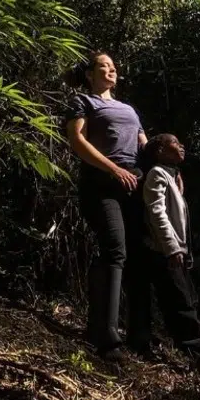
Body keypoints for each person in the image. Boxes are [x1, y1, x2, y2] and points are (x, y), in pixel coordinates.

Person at [65, 51, 148, 362]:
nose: (112, 70)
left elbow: (145, 146)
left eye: (114, 66)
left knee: (140, 255)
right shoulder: (83, 102)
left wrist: (167, 173)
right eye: (104, 66)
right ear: (90, 74)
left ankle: (141, 336)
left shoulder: (129, 109)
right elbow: (77, 141)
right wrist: (113, 170)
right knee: (114, 249)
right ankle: (106, 337)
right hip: (101, 184)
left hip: (136, 184)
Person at [140, 134, 200, 383]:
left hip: (175, 252)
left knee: (186, 301)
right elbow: (157, 212)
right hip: (165, 253)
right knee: (181, 304)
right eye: (175, 142)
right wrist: (172, 248)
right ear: (159, 150)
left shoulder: (170, 176)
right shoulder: (157, 174)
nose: (181, 146)